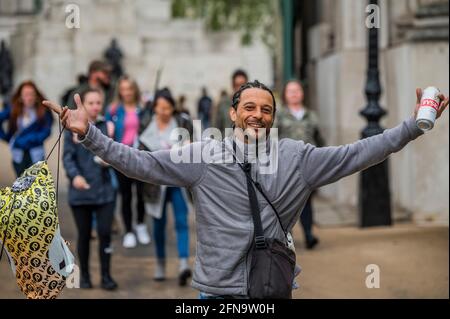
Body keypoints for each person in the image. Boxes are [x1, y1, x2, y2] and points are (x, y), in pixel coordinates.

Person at [44, 81, 448, 299]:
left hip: (269, 286)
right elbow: (142, 164)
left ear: (272, 118)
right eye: (250, 107)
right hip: (215, 292)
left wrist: (412, 127)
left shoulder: (298, 157)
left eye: (266, 109)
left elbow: (359, 152)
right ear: (233, 113)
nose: (258, 114)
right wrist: (90, 135)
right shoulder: (203, 155)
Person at [62, 88, 118, 290]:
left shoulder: (108, 126)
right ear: (83, 105)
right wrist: (75, 175)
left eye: (98, 103)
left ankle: (106, 275)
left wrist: (108, 161)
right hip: (81, 192)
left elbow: (118, 151)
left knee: (105, 233)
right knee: (84, 234)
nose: (95, 107)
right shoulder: (72, 125)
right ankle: (84, 275)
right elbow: (67, 156)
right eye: (91, 103)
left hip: (104, 191)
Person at [139, 87, 193, 286]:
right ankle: (160, 264)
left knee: (181, 221)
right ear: (155, 108)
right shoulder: (146, 125)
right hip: (155, 184)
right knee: (159, 226)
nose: (164, 111)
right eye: (161, 108)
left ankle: (183, 264)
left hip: (177, 183)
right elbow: (140, 154)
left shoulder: (181, 123)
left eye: (168, 108)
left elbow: (192, 148)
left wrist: (187, 146)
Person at [276, 80, 325, 249]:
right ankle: (284, 237)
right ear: (285, 95)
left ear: (302, 93)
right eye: (290, 91)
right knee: (285, 202)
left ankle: (309, 234)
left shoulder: (311, 115)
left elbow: (319, 139)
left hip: (307, 165)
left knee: (306, 201)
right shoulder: (279, 116)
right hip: (286, 166)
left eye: (297, 90)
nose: (294, 94)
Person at [105, 75, 151, 248]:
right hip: (121, 157)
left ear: (135, 90)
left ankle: (140, 225)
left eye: (129, 89)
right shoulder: (114, 110)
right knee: (125, 195)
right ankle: (129, 231)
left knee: (140, 193)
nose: (126, 93)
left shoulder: (143, 108)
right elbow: (108, 131)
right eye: (123, 89)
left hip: (139, 156)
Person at [0, 80, 53, 176]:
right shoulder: (14, 109)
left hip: (36, 154)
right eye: (26, 94)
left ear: (36, 96)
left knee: (35, 185)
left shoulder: (42, 110)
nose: (29, 98)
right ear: (20, 97)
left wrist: (31, 139)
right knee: (20, 184)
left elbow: (47, 131)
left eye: (31, 94)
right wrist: (6, 137)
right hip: (18, 154)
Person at [213, 69, 248, 137]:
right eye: (237, 85)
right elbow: (216, 127)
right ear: (233, 85)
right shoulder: (223, 103)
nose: (240, 88)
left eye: (243, 85)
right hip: (226, 144)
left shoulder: (252, 105)